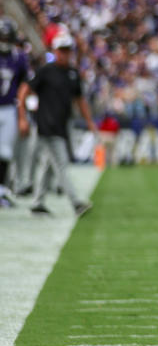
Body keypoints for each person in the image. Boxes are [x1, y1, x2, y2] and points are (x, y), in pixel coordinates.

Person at [16, 31, 97, 217]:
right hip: (46, 125)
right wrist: (22, 117)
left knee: (48, 164)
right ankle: (76, 203)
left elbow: (80, 100)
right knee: (61, 163)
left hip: (62, 125)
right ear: (55, 51)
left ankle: (38, 202)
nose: (65, 54)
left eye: (68, 50)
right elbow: (24, 90)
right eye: (62, 50)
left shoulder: (72, 73)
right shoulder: (46, 71)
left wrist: (89, 121)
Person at [0, 18, 29, 207]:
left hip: (10, 108)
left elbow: (24, 86)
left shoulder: (19, 58)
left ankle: (1, 190)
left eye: (6, 36)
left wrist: (22, 115)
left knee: (5, 152)